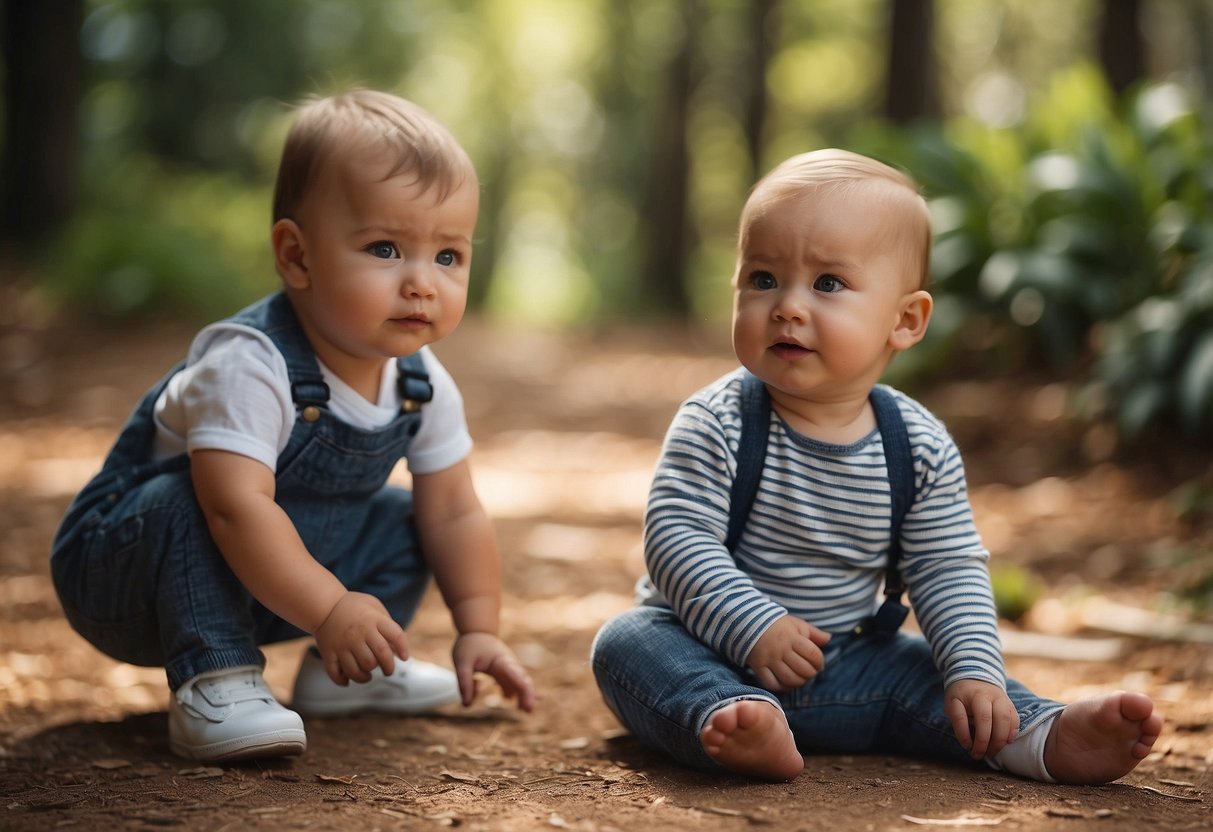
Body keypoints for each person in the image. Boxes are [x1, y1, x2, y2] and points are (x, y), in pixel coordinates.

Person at [590, 148, 1163, 784]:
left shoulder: (915, 446)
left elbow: (946, 566)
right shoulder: (718, 420)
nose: (787, 306)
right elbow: (677, 539)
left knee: (933, 673)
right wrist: (753, 628)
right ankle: (733, 720)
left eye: (827, 284)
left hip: (849, 667)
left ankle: (1037, 734)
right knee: (627, 643)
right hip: (706, 648)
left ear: (906, 320)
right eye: (762, 278)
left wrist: (975, 668)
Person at [50, 89, 535, 763]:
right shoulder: (249, 363)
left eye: (448, 256)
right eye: (386, 248)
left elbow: (454, 512)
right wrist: (331, 607)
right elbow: (234, 511)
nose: (423, 282)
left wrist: (478, 628)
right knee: (192, 497)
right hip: (129, 575)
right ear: (297, 256)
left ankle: (352, 668)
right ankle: (214, 676)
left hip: (276, 580)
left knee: (408, 518)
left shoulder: (421, 383)